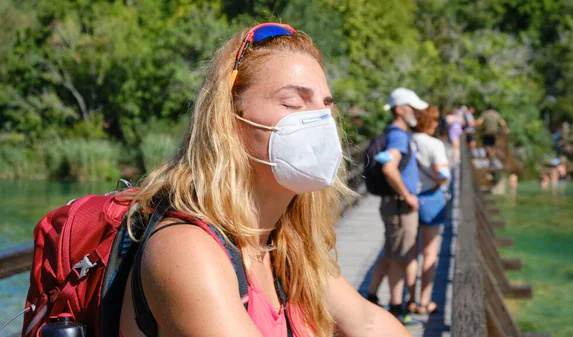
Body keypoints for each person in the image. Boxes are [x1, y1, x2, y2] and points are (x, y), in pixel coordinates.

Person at [117, 23, 413, 337]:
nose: (320, 122)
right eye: (293, 104)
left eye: (326, 107)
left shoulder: (285, 244)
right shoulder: (186, 250)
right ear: (229, 116)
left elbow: (368, 323)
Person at [366, 87, 427, 325]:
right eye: (414, 109)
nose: (418, 114)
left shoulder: (393, 132)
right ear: (401, 110)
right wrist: (408, 195)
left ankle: (375, 298)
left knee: (392, 253)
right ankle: (396, 309)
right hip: (401, 206)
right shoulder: (399, 135)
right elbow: (389, 167)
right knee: (400, 258)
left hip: (394, 205)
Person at [407, 106, 450, 315]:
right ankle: (424, 303)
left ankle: (411, 300)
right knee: (430, 252)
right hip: (431, 199)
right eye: (435, 121)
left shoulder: (408, 140)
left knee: (411, 253)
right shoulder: (435, 144)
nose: (436, 124)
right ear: (430, 122)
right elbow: (441, 174)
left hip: (409, 199)